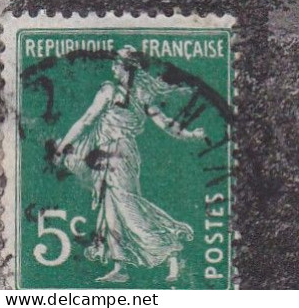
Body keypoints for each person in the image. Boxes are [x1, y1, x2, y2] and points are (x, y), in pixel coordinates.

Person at [55, 48, 206, 284]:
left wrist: (62, 145)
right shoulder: (137, 94)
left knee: (128, 207)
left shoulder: (112, 91)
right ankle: (120, 266)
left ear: (126, 67)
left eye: (116, 64)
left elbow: (86, 120)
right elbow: (166, 124)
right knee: (111, 209)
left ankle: (171, 250)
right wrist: (190, 134)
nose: (113, 68)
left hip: (119, 155)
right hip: (110, 155)